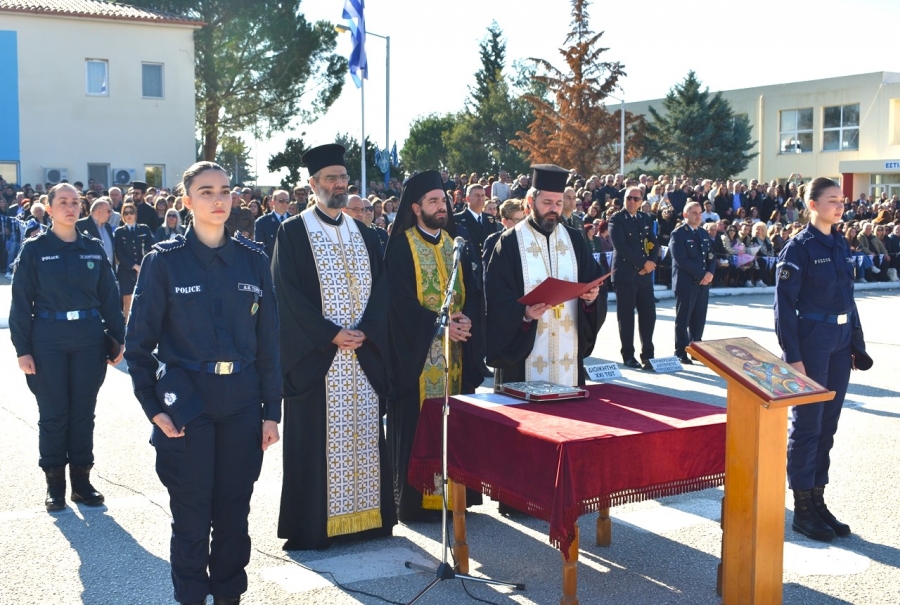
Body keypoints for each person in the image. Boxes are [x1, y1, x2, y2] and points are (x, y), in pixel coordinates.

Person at [124, 161, 281, 605]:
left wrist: (272, 412)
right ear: (188, 201)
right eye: (207, 191)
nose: (218, 199)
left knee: (234, 516)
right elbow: (138, 346)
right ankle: (190, 598)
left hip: (243, 403)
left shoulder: (252, 261)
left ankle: (229, 597)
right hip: (187, 405)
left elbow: (269, 343)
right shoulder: (164, 263)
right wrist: (153, 407)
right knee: (192, 516)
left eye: (225, 190)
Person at [272, 144, 396, 550]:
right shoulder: (293, 231)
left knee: (364, 438)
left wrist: (367, 332)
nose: (339, 185)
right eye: (330, 179)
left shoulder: (365, 232)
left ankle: (368, 521)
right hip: (318, 359)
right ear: (312, 185)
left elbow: (382, 291)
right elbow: (286, 296)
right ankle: (313, 528)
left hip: (361, 356)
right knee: (314, 443)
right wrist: (329, 334)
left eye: (343, 178)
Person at [9, 183, 125, 511]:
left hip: (89, 337)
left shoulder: (92, 249)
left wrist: (119, 338)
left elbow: (108, 296)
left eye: (75, 202)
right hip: (48, 338)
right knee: (54, 413)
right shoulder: (34, 249)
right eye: (63, 202)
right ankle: (55, 486)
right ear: (49, 207)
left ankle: (82, 483)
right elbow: (20, 304)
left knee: (83, 412)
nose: (70, 207)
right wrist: (23, 349)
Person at [384, 170, 483, 523]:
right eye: (433, 201)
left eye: (444, 200)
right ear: (416, 207)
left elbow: (473, 291)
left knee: (455, 421)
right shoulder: (400, 247)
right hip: (417, 361)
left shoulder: (455, 243)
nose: (442, 206)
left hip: (455, 358)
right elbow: (398, 305)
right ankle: (418, 501)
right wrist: (440, 325)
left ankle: (455, 494)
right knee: (420, 423)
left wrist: (468, 318)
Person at [775, 177, 867, 543]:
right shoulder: (798, 248)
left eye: (841, 200)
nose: (839, 205)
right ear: (812, 205)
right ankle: (802, 509)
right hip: (812, 342)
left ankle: (818, 499)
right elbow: (783, 307)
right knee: (808, 425)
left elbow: (849, 296)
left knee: (828, 425)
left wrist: (856, 344)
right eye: (832, 200)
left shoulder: (841, 242)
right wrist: (793, 357)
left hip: (841, 342)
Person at [484, 165, 603, 386]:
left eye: (558, 203)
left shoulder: (575, 239)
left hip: (567, 350)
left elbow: (591, 280)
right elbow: (495, 294)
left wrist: (592, 297)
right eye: (547, 203)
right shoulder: (510, 241)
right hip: (523, 351)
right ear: (531, 203)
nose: (553, 209)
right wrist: (524, 314)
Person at [609, 185, 659, 370]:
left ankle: (648, 355)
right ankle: (628, 355)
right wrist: (642, 264)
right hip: (625, 275)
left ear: (641, 202)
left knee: (649, 315)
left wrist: (651, 263)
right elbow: (621, 246)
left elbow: (653, 243)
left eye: (635, 199)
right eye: (629, 198)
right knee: (626, 317)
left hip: (644, 276)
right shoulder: (616, 219)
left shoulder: (645, 218)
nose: (631, 201)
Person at [670, 202, 716, 363]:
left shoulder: (703, 233)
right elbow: (682, 260)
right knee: (684, 318)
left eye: (700, 213)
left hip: (703, 283)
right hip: (686, 283)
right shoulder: (678, 234)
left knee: (699, 318)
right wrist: (704, 274)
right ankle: (680, 351)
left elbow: (711, 256)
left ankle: (696, 349)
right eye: (694, 212)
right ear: (685, 215)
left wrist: (710, 273)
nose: (698, 216)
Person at [114, 201, 154, 320]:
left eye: (131, 212)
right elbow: (119, 254)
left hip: (144, 269)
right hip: (127, 271)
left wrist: (143, 265)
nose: (129, 215)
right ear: (123, 216)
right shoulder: (119, 232)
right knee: (128, 302)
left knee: (144, 300)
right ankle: (127, 332)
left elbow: (151, 247)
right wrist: (135, 266)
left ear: (135, 214)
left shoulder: (144, 229)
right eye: (126, 213)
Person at [76, 198, 116, 266]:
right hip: (91, 271)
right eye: (108, 211)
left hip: (108, 272)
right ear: (99, 211)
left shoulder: (107, 226)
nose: (110, 214)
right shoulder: (80, 225)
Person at [254, 189, 289, 258]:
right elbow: (261, 247)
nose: (284, 203)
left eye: (287, 201)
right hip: (270, 264)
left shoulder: (295, 220)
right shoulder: (262, 222)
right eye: (281, 201)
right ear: (273, 202)